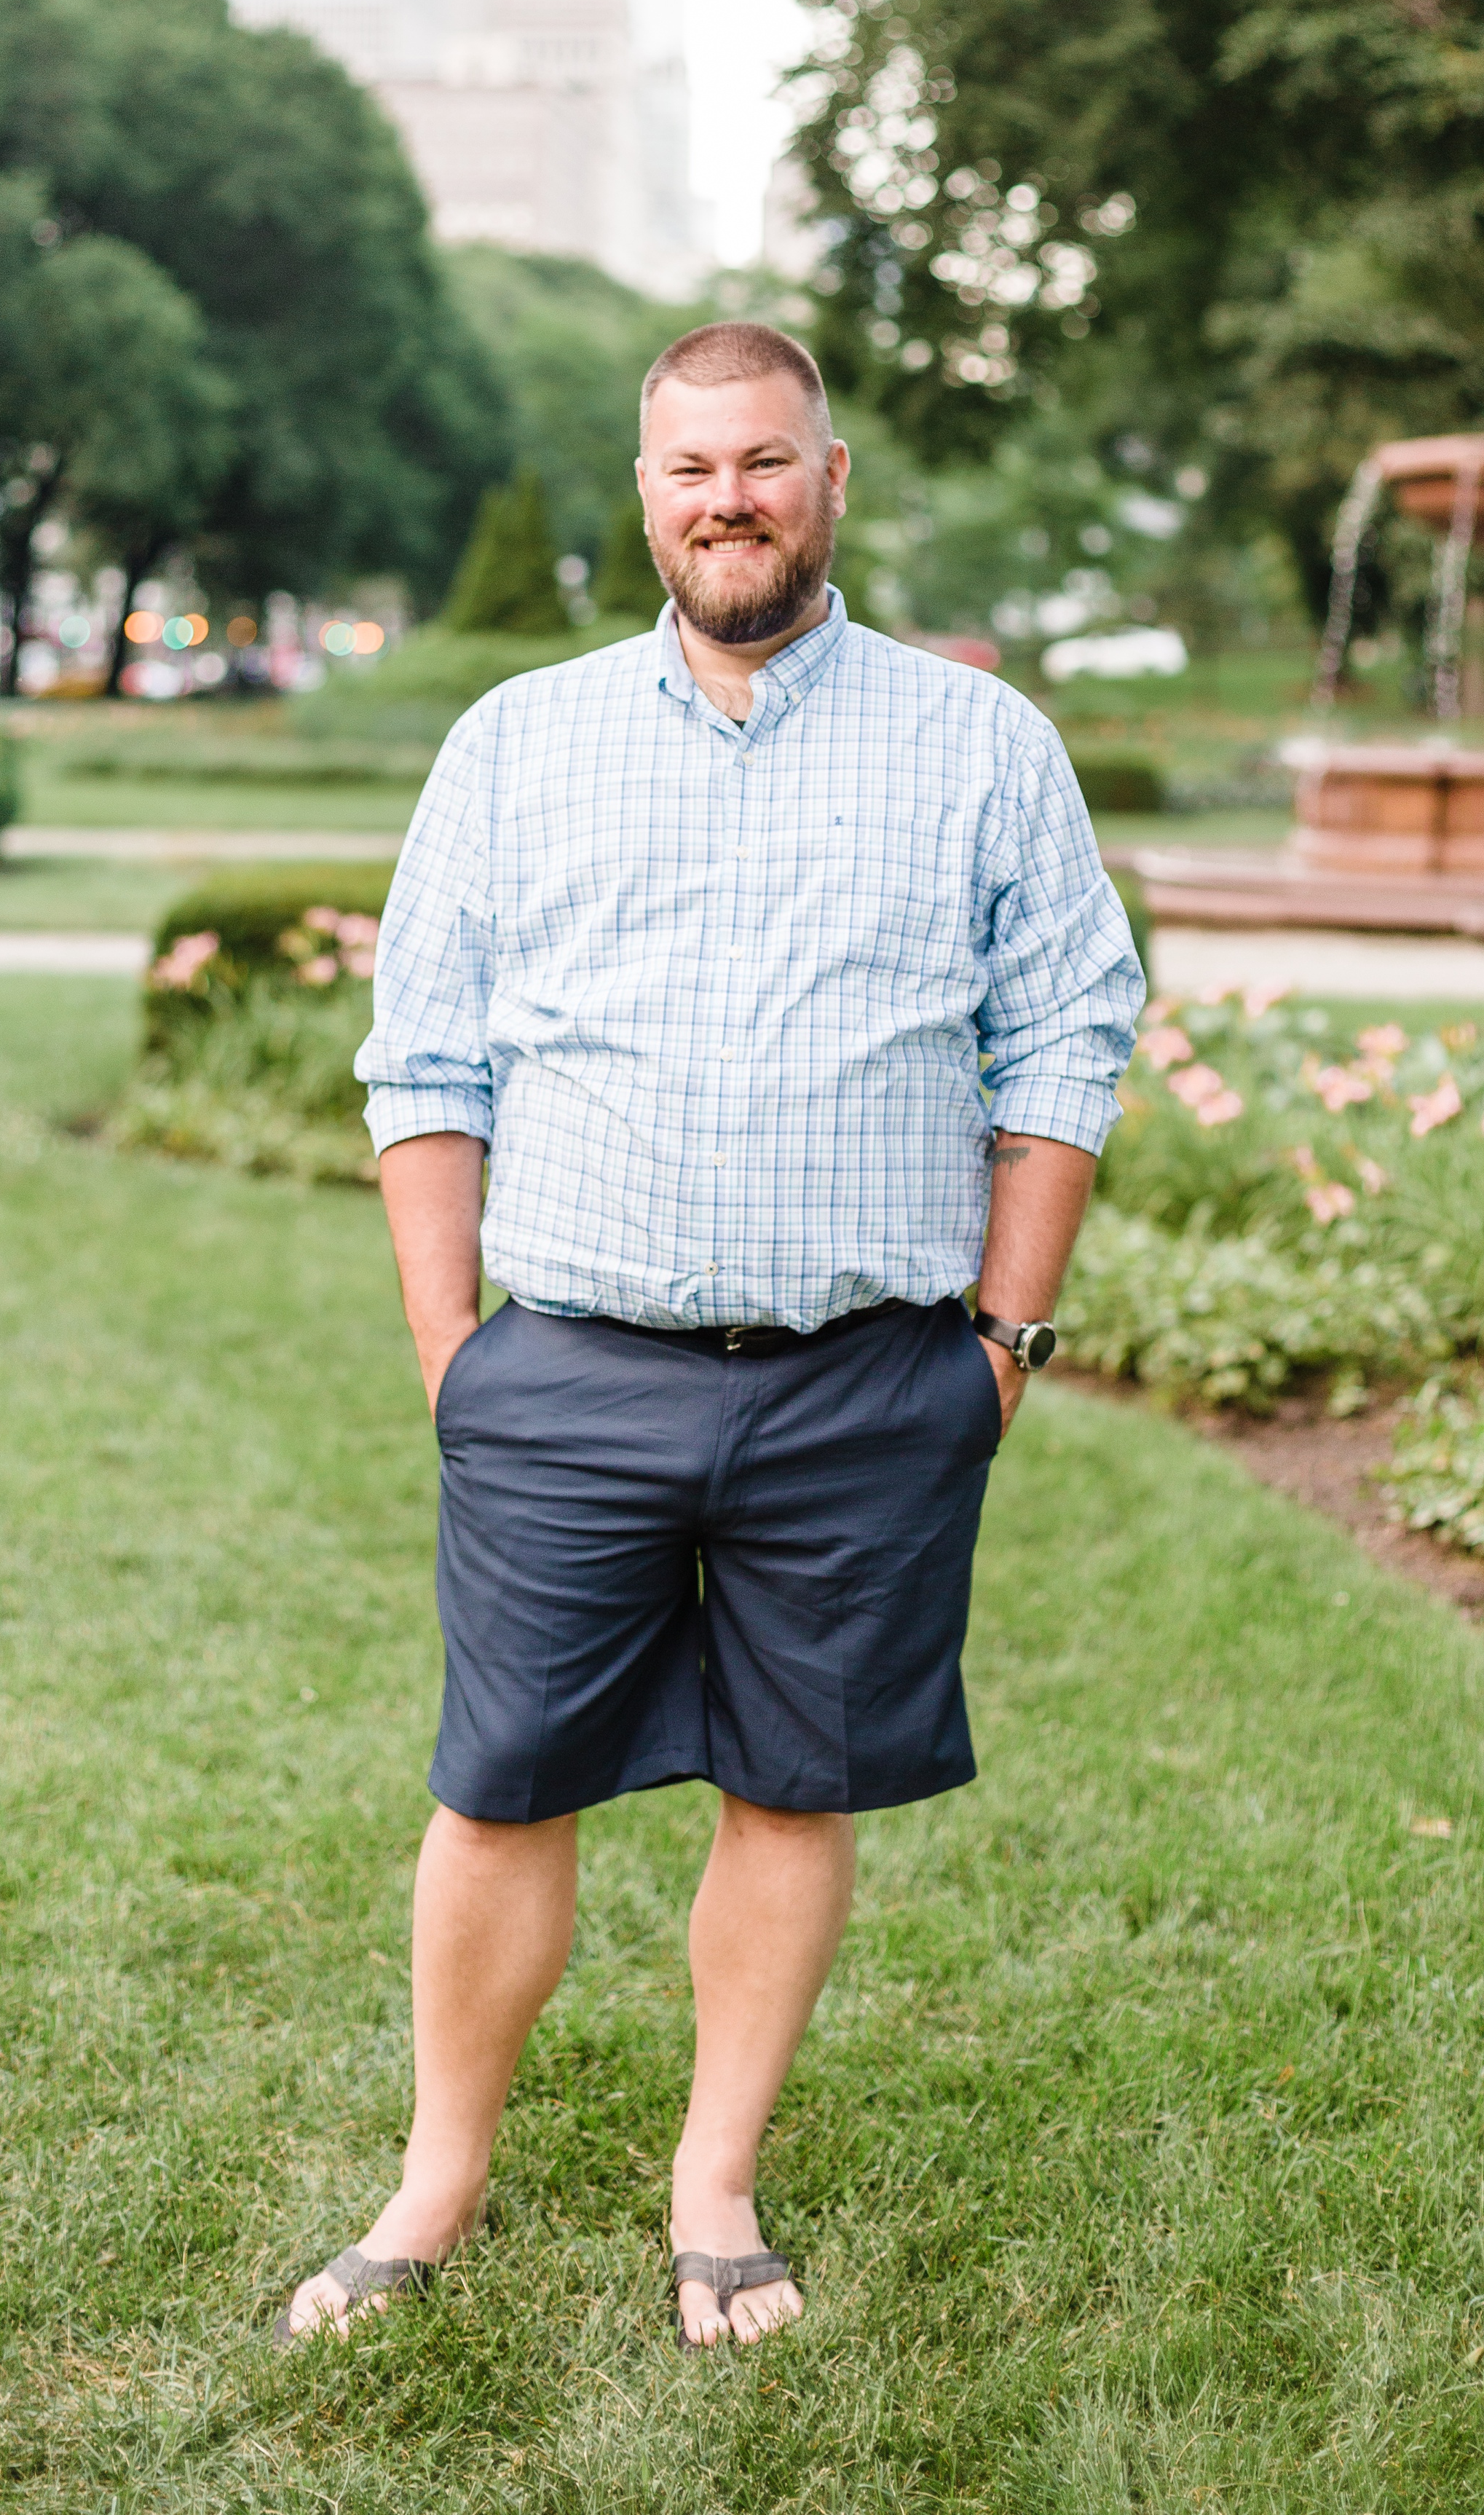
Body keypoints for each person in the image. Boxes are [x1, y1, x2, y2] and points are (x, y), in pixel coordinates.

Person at [280, 322, 1142, 2350]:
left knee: (791, 1783)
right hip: (568, 1372)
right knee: (501, 1786)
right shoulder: (518, 740)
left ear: (831, 480)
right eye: (691, 468)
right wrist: (452, 1349)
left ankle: (716, 2183)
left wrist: (1004, 1341)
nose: (728, 499)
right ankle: (436, 2181)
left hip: (869, 1380)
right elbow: (425, 1057)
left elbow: (1070, 1033)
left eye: (765, 461)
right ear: (648, 495)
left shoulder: (980, 744)